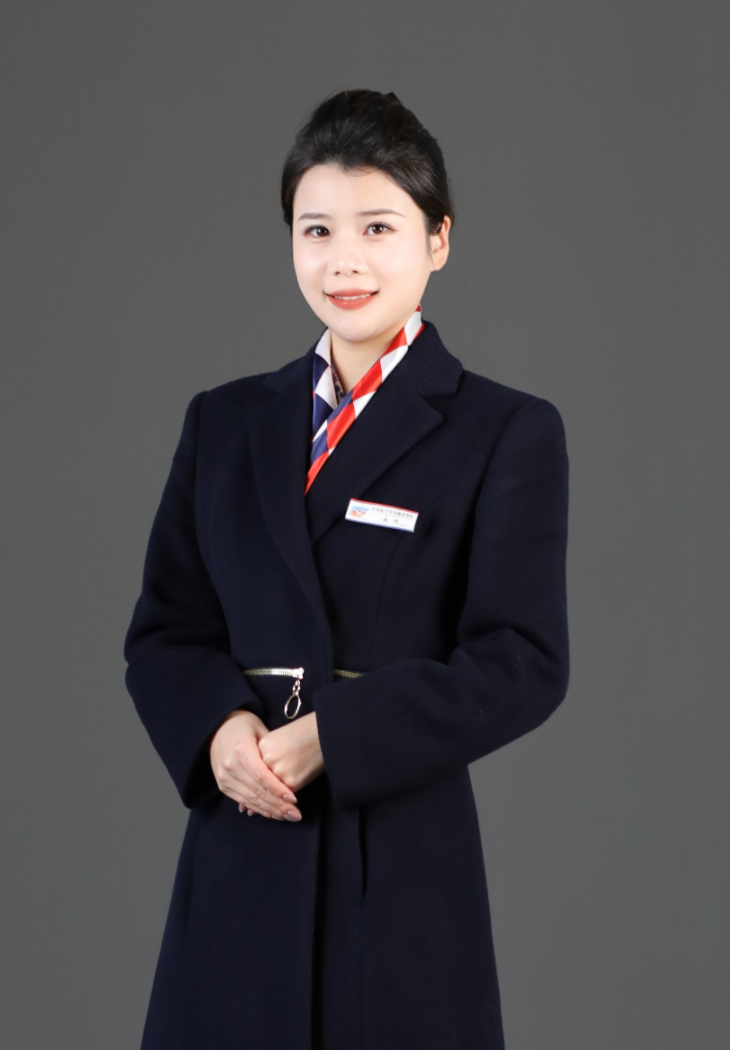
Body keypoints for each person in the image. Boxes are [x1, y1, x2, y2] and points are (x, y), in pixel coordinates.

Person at [124, 88, 569, 1050]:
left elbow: (523, 660)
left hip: (397, 860)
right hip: (241, 846)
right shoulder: (224, 421)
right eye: (315, 229)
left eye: (377, 227)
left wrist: (334, 734)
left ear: (438, 239)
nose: (343, 261)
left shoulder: (504, 430)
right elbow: (165, 630)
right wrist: (218, 733)